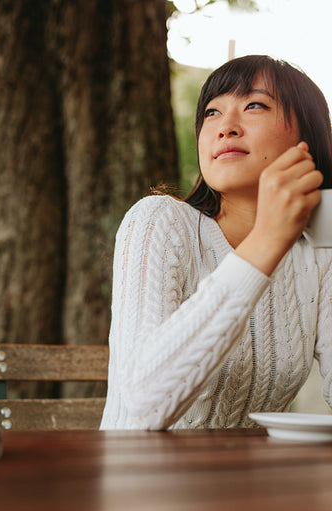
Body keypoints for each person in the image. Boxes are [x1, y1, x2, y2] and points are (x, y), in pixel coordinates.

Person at [100, 54, 332, 430]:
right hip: (142, 482)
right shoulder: (159, 221)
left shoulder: (318, 252)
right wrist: (265, 244)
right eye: (211, 112)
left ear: (307, 139)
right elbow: (142, 405)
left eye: (254, 105)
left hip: (259, 484)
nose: (226, 126)